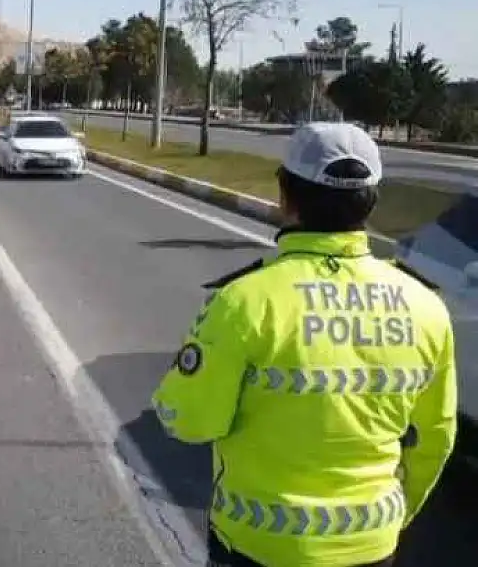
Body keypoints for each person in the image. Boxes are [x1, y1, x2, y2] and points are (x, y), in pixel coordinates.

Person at [152, 122, 457, 567]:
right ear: (371, 200)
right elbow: (438, 435)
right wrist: (396, 513)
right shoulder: (426, 305)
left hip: (260, 544)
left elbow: (190, 422)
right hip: (372, 543)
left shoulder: (243, 301)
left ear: (284, 195)